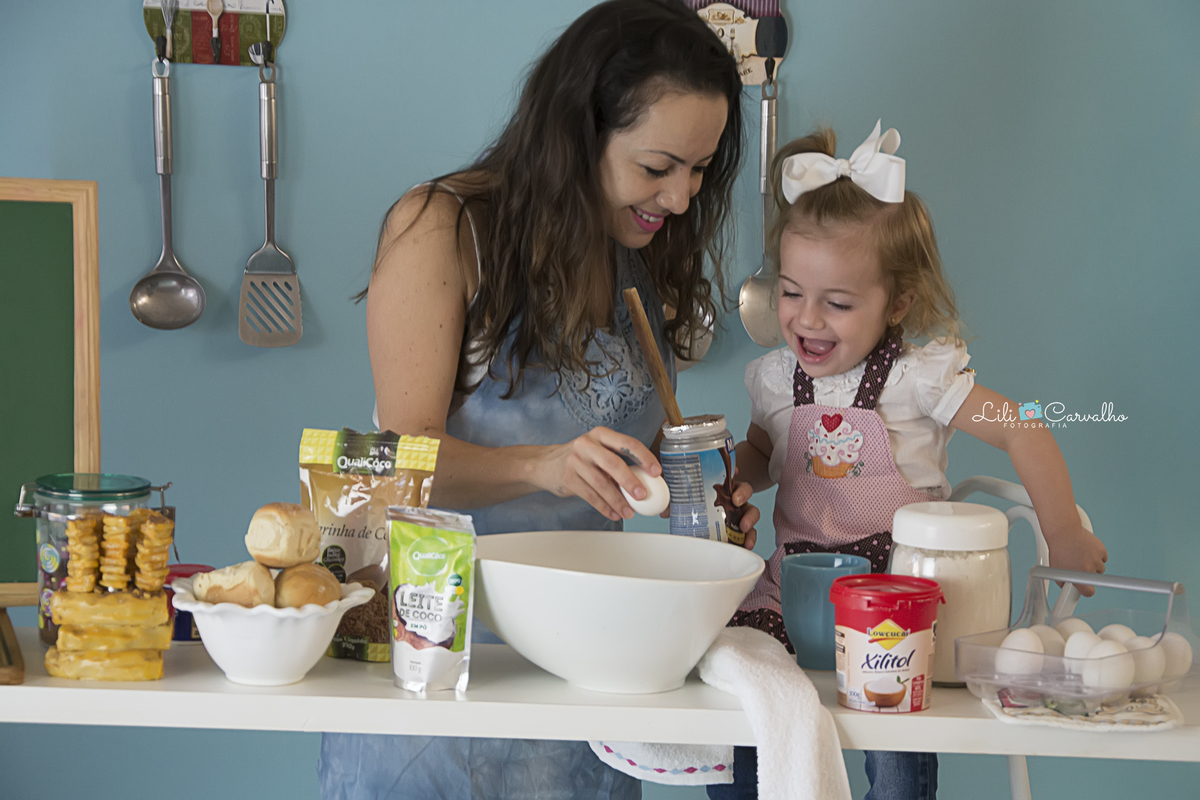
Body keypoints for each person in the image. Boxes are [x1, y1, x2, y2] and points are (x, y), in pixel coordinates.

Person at [320, 2, 758, 798]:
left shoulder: (643, 252)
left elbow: (625, 450)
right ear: (578, 131)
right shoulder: (446, 228)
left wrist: (696, 494)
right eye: (658, 167)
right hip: (451, 667)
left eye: (699, 169)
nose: (683, 198)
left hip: (593, 677)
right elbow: (398, 465)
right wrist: (544, 466)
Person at [718, 121, 1109, 800]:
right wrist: (737, 481)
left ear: (896, 304)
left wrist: (1064, 533)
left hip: (896, 600)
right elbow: (765, 451)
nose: (807, 319)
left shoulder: (919, 380)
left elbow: (1022, 431)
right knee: (749, 723)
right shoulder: (775, 380)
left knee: (895, 761)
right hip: (794, 591)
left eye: (837, 303)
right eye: (789, 292)